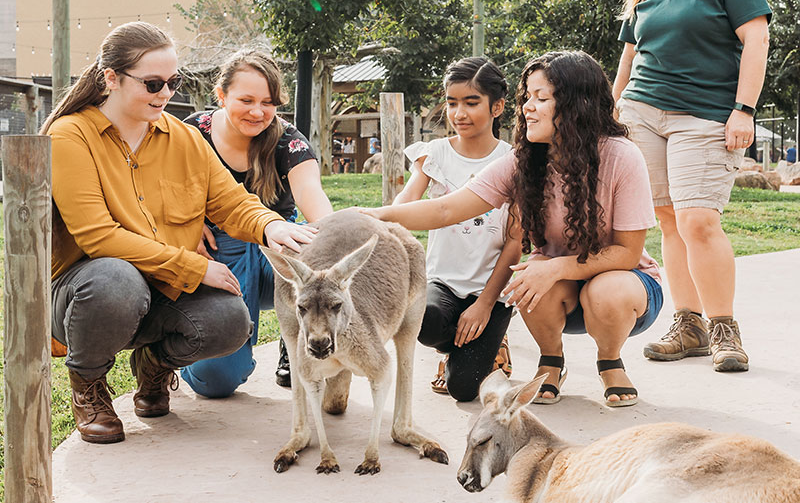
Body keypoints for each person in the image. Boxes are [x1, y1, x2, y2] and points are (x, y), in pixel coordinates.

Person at [45, 22, 316, 444]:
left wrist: (271, 225)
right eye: (153, 83)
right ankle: (89, 386)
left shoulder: (185, 138)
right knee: (116, 277)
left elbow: (231, 201)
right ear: (111, 78)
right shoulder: (70, 136)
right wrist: (193, 266)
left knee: (230, 320)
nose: (166, 93)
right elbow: (98, 237)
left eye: (174, 81)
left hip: (161, 289)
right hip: (88, 293)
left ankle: (153, 365)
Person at [367, 51, 662, 407]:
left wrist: (554, 266)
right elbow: (447, 208)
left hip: (625, 284)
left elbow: (627, 253)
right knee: (529, 274)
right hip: (557, 288)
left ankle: (610, 360)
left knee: (601, 288)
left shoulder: (621, 156)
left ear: (576, 103)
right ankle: (551, 358)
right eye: (527, 98)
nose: (528, 108)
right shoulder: (525, 159)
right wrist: (369, 215)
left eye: (541, 98)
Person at [614, 0, 771, 373]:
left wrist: (743, 109)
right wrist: (612, 110)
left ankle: (724, 328)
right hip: (642, 111)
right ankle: (689, 325)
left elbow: (757, 40)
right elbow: (629, 56)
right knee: (666, 220)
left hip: (702, 114)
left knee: (698, 220)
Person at [181, 50, 333, 395]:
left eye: (268, 102)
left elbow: (315, 202)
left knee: (311, 246)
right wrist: (184, 227)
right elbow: (152, 193)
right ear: (221, 96)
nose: (257, 111)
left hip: (275, 255)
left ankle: (296, 335)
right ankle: (177, 355)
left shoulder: (289, 141)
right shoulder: (191, 132)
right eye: (246, 100)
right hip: (213, 254)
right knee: (216, 382)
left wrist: (336, 239)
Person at [392, 57, 521, 401]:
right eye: (452, 103)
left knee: (463, 389)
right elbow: (406, 201)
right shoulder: (433, 154)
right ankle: (454, 349)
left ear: (498, 107)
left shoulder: (515, 161)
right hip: (443, 282)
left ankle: (494, 340)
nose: (459, 113)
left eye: (471, 102)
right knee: (424, 321)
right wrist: (378, 219)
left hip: (491, 291)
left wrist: (485, 304)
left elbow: (514, 244)